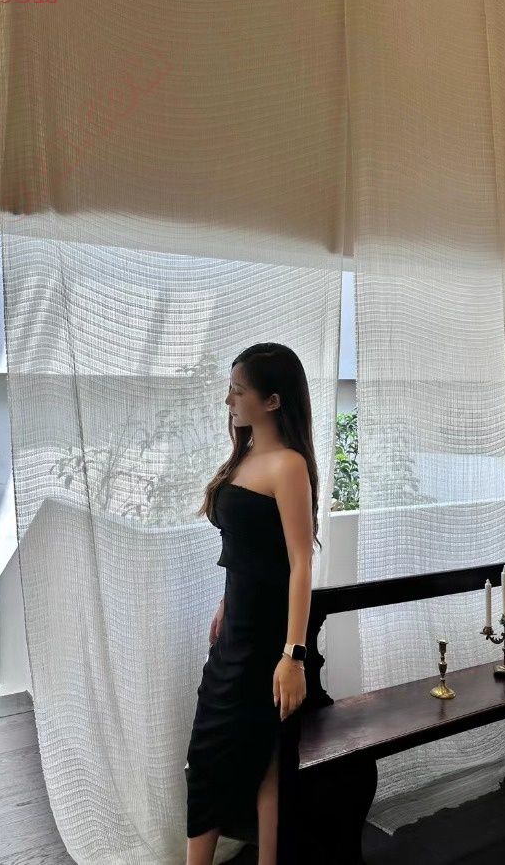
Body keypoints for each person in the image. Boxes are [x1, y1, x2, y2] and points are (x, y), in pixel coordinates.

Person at [185, 342, 321, 865]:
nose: (229, 400)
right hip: (235, 628)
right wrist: (225, 602)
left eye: (238, 391)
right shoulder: (244, 458)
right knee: (220, 756)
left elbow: (300, 562)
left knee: (255, 757)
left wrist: (293, 656)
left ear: (272, 401)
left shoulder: (287, 466)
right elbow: (247, 550)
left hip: (268, 638)